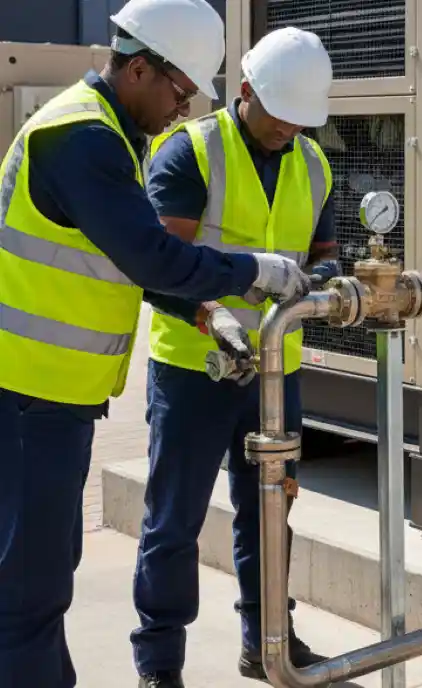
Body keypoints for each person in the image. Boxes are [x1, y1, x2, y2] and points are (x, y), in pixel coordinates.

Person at [0, 0, 314, 685]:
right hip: (29, 397)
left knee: (39, 585)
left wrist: (204, 313)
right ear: (139, 68)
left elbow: (117, 264)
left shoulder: (108, 133)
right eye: (178, 91)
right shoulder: (82, 139)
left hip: (52, 395)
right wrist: (253, 272)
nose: (181, 108)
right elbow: (150, 255)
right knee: (27, 594)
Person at [128, 26, 340, 688]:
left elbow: (322, 256)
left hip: (278, 375)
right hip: (196, 370)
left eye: (302, 121)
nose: (289, 131)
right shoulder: (190, 153)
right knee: (174, 521)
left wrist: (334, 285)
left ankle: (267, 640)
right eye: (280, 116)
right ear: (246, 90)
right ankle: (160, 663)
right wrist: (214, 316)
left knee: (272, 510)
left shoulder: (315, 162)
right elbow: (157, 269)